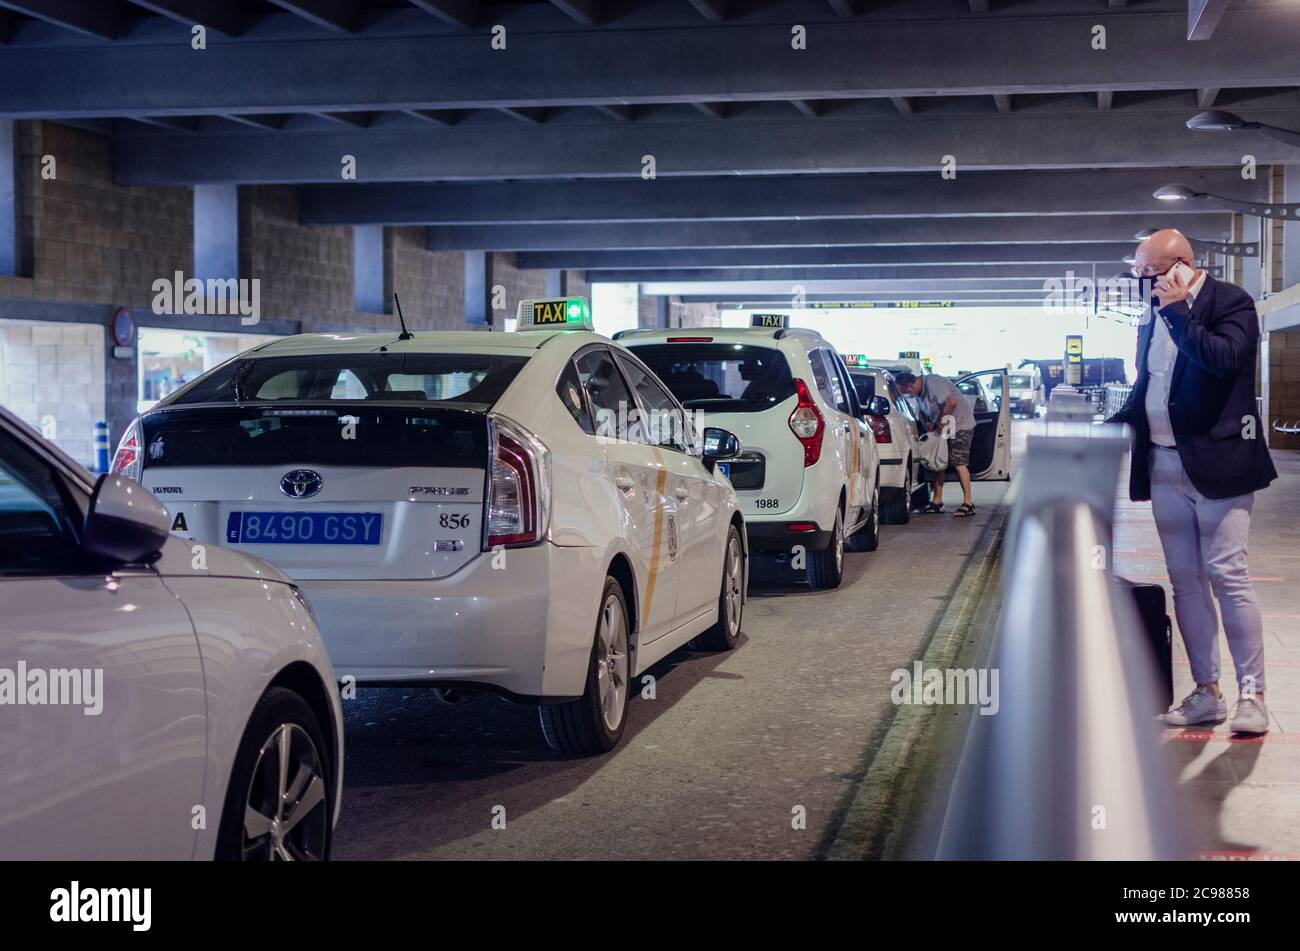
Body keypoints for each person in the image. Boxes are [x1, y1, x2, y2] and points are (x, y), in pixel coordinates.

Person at [1108, 229, 1277, 735]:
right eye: (1139, 278)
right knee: (1186, 583)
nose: (1145, 286)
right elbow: (1147, 385)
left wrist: (1179, 310)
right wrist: (1108, 425)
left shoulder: (1233, 303)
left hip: (1220, 465)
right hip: (1162, 466)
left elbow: (1222, 360)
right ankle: (1207, 691)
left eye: (1151, 275)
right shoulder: (1152, 314)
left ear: (1182, 265)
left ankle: (1253, 696)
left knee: (1227, 574)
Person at [894, 370, 977, 517]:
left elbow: (952, 402)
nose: (907, 395)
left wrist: (940, 422)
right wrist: (927, 423)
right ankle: (937, 502)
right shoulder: (920, 393)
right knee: (939, 462)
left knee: (959, 462)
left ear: (910, 385)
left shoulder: (933, 383)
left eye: (905, 392)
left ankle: (968, 503)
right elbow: (922, 412)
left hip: (960, 425)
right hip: (945, 427)